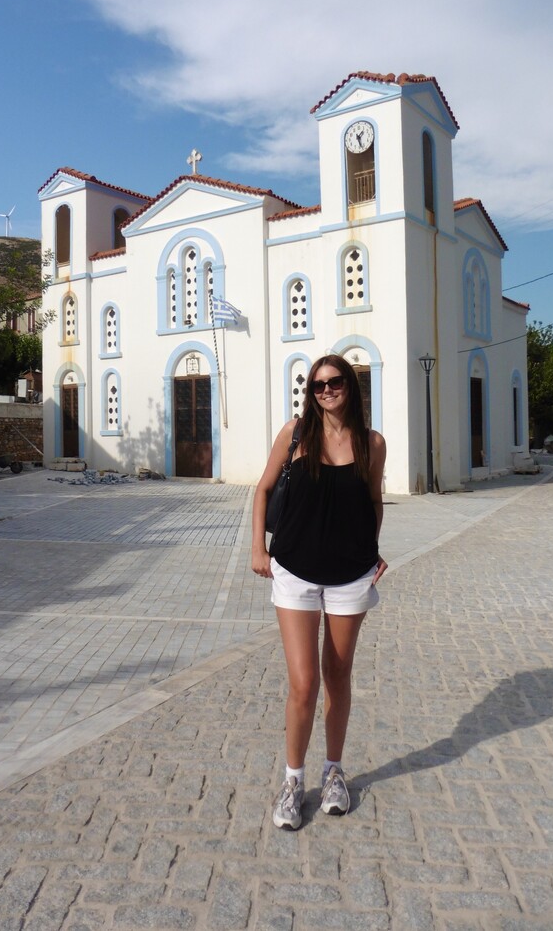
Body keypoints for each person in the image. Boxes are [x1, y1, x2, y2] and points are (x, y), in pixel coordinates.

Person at [252, 354, 387, 830]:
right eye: (317, 385)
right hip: (295, 571)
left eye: (335, 383)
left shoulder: (372, 443)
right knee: (304, 682)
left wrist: (373, 550)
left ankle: (333, 771)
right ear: (310, 393)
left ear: (350, 385)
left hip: (351, 574)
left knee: (338, 675)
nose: (326, 391)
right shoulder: (294, 434)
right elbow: (263, 490)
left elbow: (372, 500)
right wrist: (257, 548)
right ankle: (293, 780)